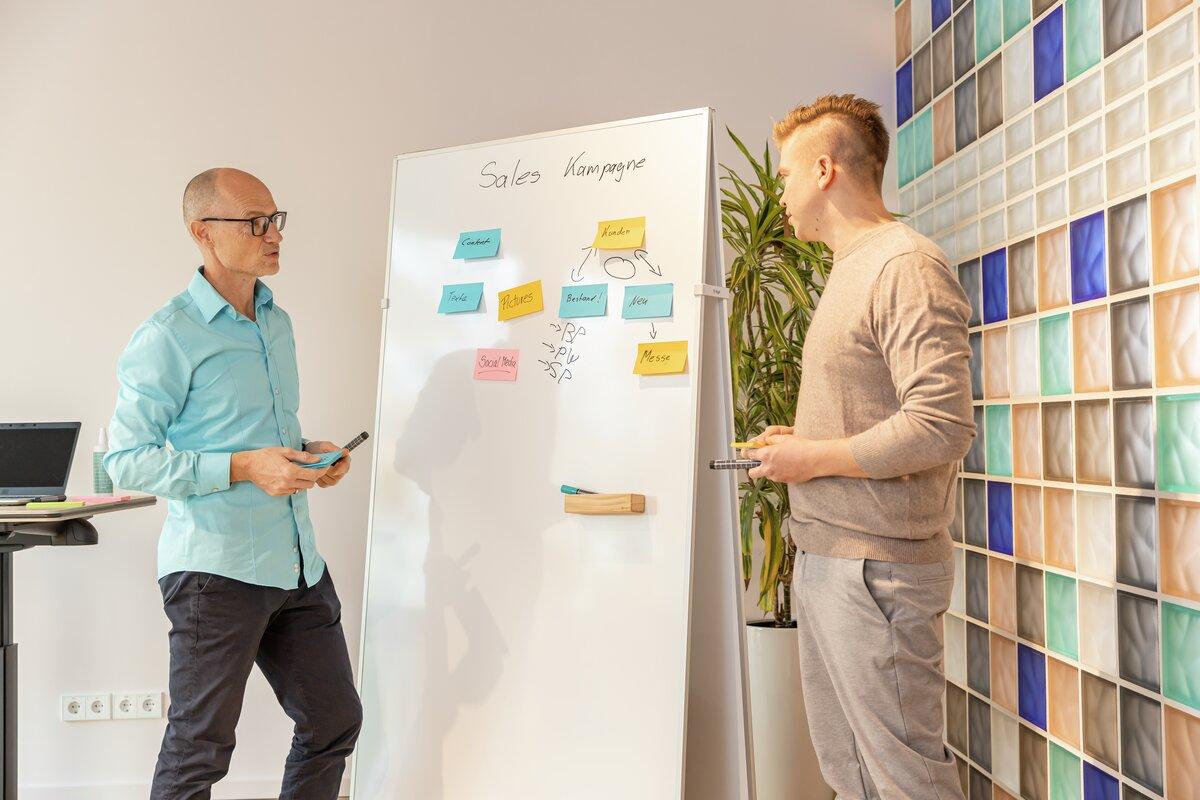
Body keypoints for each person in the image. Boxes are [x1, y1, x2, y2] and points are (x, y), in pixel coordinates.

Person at [743, 95, 974, 799]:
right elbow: (874, 411)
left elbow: (941, 423)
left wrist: (812, 459)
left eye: (786, 176)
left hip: (878, 572)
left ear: (824, 171)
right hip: (834, 559)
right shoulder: (852, 266)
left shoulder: (906, 265)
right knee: (853, 779)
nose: (780, 194)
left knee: (907, 784)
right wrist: (805, 442)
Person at [105, 167, 363, 799]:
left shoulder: (276, 322)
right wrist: (245, 467)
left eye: (275, 219)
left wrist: (309, 455)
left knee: (334, 721)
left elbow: (257, 433)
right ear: (203, 232)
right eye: (255, 222)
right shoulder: (168, 336)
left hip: (296, 564)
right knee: (199, 750)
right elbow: (126, 461)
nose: (274, 234)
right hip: (215, 572)